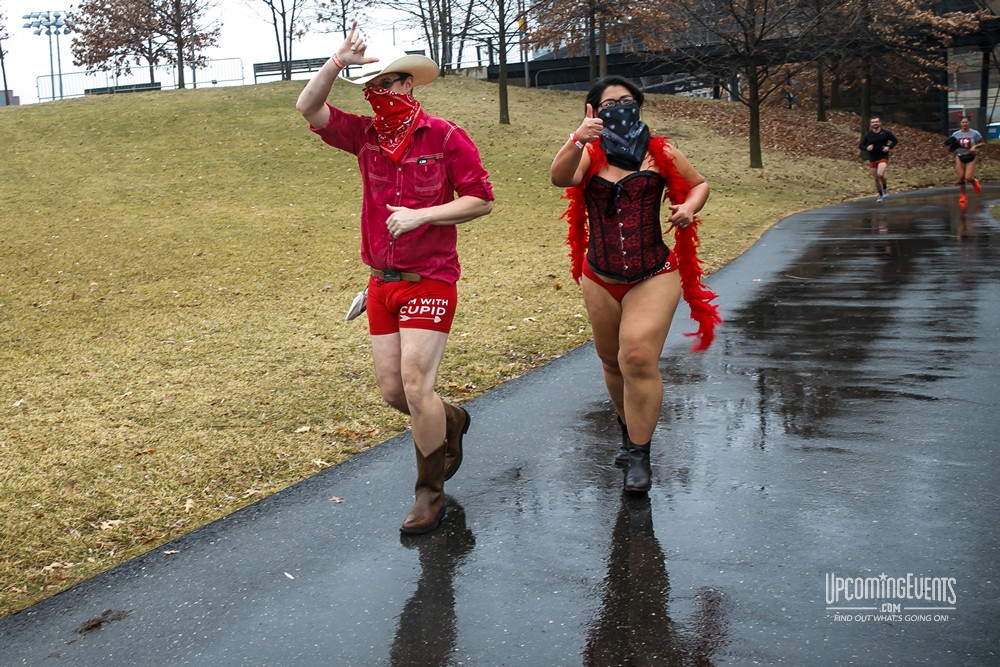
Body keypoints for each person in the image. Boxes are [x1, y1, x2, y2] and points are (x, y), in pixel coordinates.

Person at [296, 22, 494, 534]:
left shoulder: (445, 135)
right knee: (394, 393)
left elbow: (481, 199)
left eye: (387, 84)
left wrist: (423, 215)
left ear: (408, 85)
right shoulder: (362, 135)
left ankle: (429, 494)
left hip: (430, 277)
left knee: (414, 382)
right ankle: (452, 420)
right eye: (370, 87)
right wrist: (337, 62)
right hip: (381, 282)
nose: (378, 94)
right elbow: (308, 108)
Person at [550, 76, 720, 495]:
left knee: (638, 357)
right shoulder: (589, 153)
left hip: (654, 271)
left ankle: (640, 456)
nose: (619, 108)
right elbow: (560, 179)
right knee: (611, 361)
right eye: (609, 104)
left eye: (627, 101)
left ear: (639, 106)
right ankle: (628, 434)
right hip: (600, 275)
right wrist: (576, 138)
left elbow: (699, 183)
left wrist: (688, 207)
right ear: (593, 111)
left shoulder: (660, 152)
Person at [945, 115, 984, 206]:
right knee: (961, 178)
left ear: (969, 123)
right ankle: (963, 195)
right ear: (960, 123)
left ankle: (974, 181)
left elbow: (982, 143)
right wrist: (951, 147)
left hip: (971, 156)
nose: (965, 124)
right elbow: (950, 144)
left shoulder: (974, 133)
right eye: (963, 122)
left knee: (968, 177)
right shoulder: (956, 134)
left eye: (966, 122)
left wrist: (975, 146)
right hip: (960, 156)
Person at [858, 116, 899, 204]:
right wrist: (866, 147)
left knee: (880, 174)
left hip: (883, 156)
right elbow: (861, 146)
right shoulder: (868, 135)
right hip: (873, 158)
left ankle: (884, 187)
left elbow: (895, 141)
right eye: (873, 122)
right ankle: (880, 195)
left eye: (876, 122)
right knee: (876, 178)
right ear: (871, 124)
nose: (875, 123)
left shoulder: (885, 133)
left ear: (879, 123)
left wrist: (889, 147)